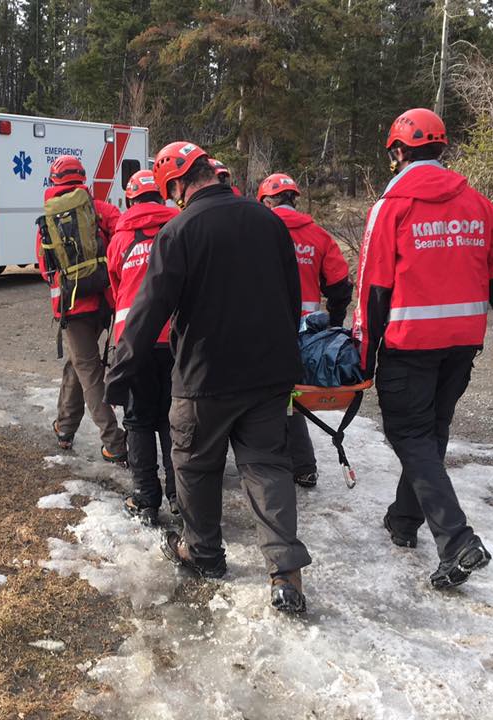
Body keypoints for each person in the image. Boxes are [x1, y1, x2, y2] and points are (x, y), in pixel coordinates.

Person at [105, 141, 310, 613]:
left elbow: (148, 310)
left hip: (204, 375)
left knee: (195, 463)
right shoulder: (269, 222)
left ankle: (203, 554)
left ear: (177, 185)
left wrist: (120, 374)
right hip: (268, 371)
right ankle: (284, 571)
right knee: (267, 466)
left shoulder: (178, 232)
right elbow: (291, 296)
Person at [352, 108, 493, 589]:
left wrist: (362, 357)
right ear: (442, 150)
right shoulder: (479, 205)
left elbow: (373, 290)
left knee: (410, 436)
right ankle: (403, 520)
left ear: (398, 152)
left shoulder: (392, 206)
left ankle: (455, 540)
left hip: (409, 344)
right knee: (430, 433)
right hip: (461, 346)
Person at [258, 172, 353, 488]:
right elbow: (340, 287)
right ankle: (303, 465)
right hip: (305, 335)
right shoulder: (319, 236)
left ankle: (279, 465)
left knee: (266, 398)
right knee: (290, 397)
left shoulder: (258, 231)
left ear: (268, 201)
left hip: (264, 329)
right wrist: (334, 327)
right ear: (293, 199)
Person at [37, 154, 127, 464]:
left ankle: (114, 443)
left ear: (54, 180)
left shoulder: (48, 219)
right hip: (103, 303)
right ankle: (64, 428)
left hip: (71, 309)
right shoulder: (100, 210)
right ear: (83, 177)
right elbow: (124, 239)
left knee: (88, 371)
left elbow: (43, 268)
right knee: (77, 364)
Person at [107, 170, 180, 525]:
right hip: (175, 340)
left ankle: (145, 499)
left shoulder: (120, 238)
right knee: (173, 419)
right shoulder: (180, 227)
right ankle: (180, 498)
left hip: (133, 342)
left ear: (131, 200)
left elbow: (115, 286)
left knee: (137, 420)